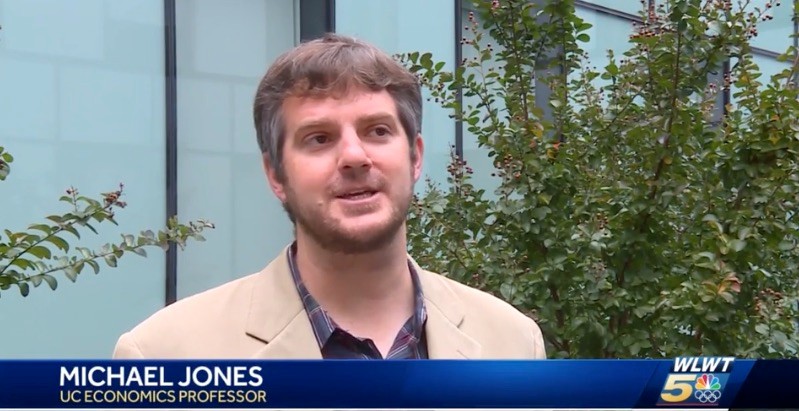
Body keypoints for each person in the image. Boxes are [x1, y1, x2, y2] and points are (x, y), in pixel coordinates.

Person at [113, 33, 546, 360]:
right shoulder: (163, 356)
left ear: (414, 157)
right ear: (275, 174)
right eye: (319, 138)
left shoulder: (512, 342)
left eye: (377, 131)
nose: (354, 157)